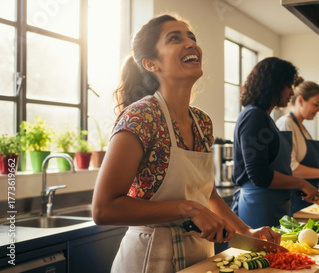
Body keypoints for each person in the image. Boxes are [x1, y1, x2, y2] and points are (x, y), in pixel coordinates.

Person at [91, 14, 280, 273]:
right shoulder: (141, 117)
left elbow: (208, 194)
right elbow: (103, 208)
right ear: (151, 63)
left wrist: (247, 231)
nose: (191, 43)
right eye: (175, 38)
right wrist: (186, 208)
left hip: (200, 259)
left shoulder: (202, 123)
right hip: (149, 261)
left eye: (191, 37)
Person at [231, 57, 319, 228]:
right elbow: (259, 175)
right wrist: (301, 183)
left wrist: (299, 188)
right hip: (257, 209)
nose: (291, 92)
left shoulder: (264, 118)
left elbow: (275, 169)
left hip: (271, 207)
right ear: (273, 85)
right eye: (289, 86)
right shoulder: (254, 116)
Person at [275, 77, 319, 213]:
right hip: (293, 200)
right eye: (316, 104)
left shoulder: (303, 128)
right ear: (300, 101)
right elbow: (291, 167)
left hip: (307, 199)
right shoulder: (286, 125)